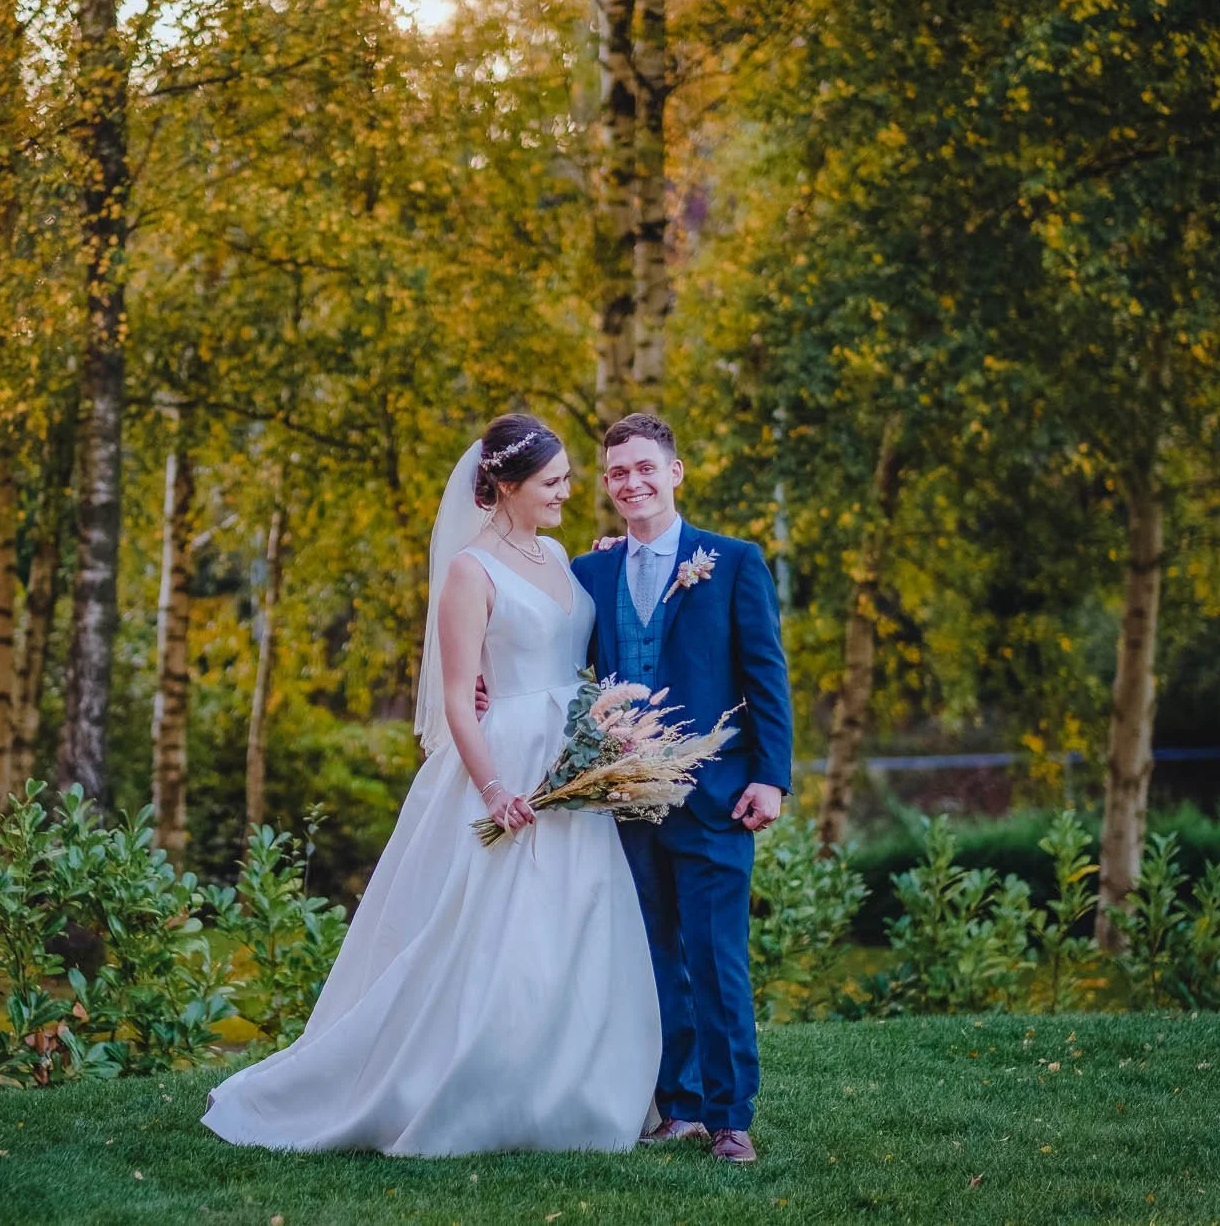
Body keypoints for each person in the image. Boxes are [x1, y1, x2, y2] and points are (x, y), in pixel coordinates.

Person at [202, 413, 661, 1155]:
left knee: (574, 929)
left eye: (570, 478)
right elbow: (456, 699)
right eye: (552, 482)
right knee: (483, 940)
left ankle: (572, 1091)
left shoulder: (559, 552)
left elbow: (573, 627)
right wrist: (493, 790)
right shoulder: (468, 571)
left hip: (572, 758)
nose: (568, 494)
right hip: (504, 759)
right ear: (506, 485)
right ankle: (461, 1089)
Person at [570, 411, 795, 1165]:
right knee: (653, 958)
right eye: (617, 472)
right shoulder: (589, 571)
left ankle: (733, 1116)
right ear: (606, 484)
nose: (631, 482)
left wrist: (771, 775)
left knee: (716, 958)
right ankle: (682, 1106)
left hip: (715, 797)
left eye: (644, 467)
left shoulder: (731, 561)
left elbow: (766, 675)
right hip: (623, 800)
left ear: (675, 472)